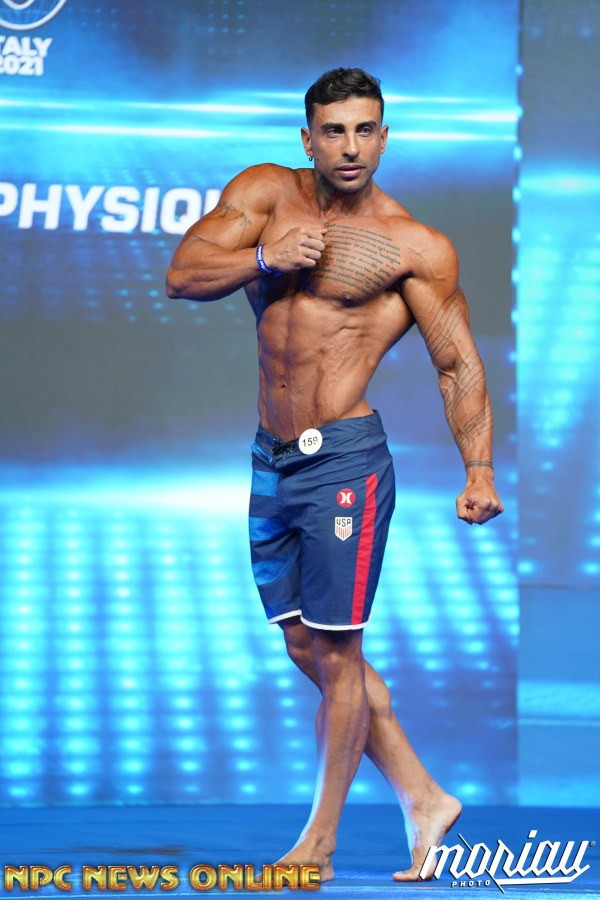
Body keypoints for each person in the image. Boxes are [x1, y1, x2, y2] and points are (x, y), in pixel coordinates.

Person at [166, 67, 504, 883]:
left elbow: (456, 363)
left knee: (339, 650)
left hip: (345, 460)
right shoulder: (263, 193)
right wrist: (264, 256)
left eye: (365, 130)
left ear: (384, 138)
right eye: (334, 131)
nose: (350, 147)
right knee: (303, 642)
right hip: (271, 457)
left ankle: (317, 844)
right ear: (308, 139)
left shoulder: (413, 245)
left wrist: (479, 469)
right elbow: (182, 276)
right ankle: (426, 798)